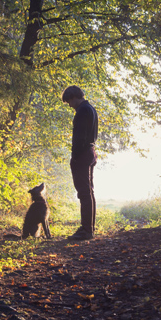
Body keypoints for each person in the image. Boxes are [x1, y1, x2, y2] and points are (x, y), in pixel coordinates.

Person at [61, 85, 98, 240]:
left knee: (84, 192)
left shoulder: (82, 110)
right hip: (90, 152)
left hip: (82, 154)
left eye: (69, 101)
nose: (69, 105)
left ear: (73, 96)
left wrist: (75, 156)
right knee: (88, 191)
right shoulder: (91, 109)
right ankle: (89, 228)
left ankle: (86, 230)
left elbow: (79, 137)